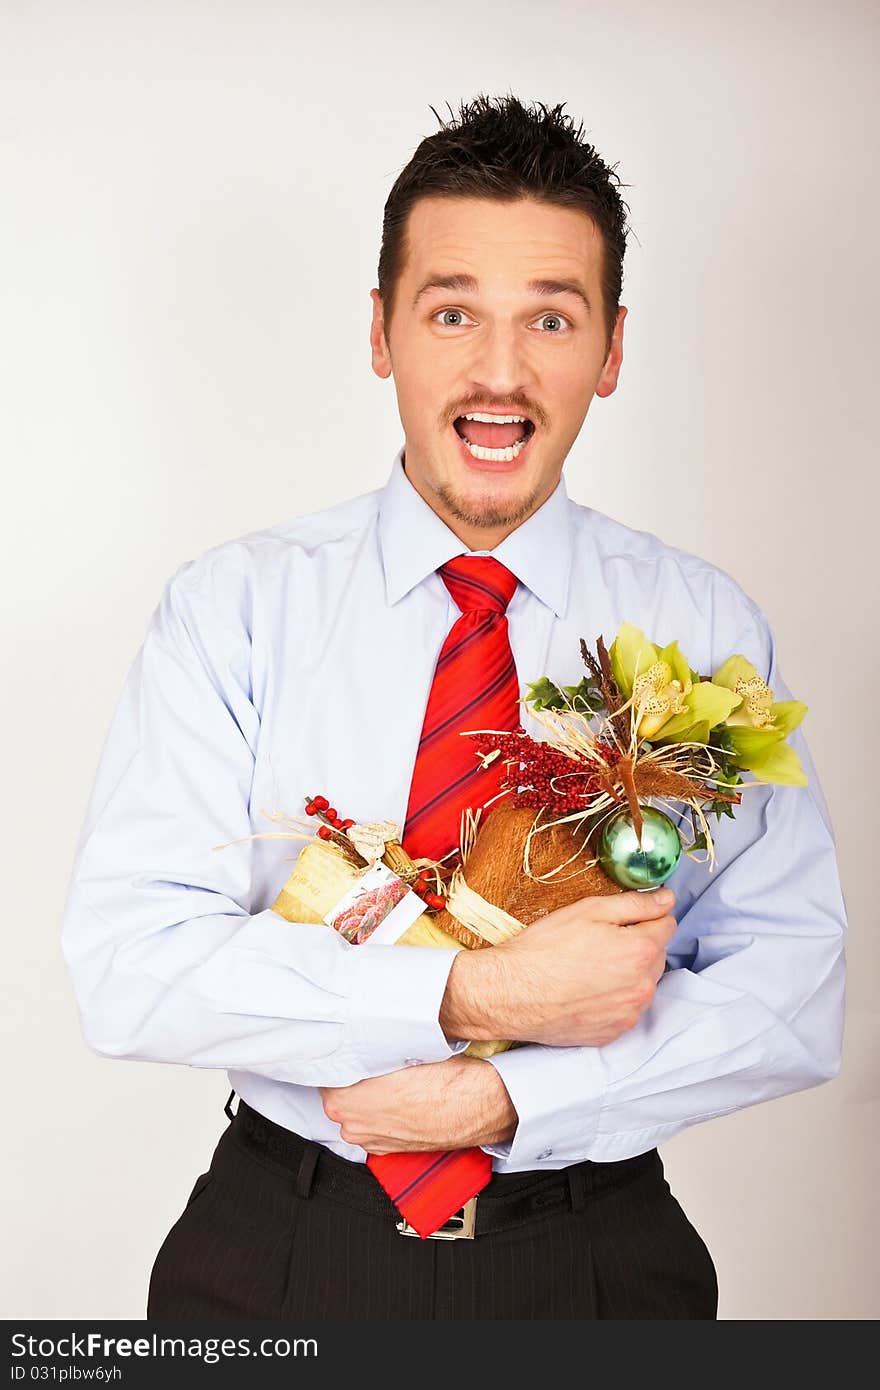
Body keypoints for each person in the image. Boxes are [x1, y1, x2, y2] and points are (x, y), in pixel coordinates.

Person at [60, 94, 847, 1321]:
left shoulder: (703, 634)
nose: (499, 368)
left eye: (550, 316)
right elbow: (130, 964)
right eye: (451, 312)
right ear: (382, 333)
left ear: (614, 347)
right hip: (283, 1245)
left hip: (592, 1251)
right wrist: (464, 1002)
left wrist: (517, 1099)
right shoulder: (237, 610)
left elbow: (791, 982)